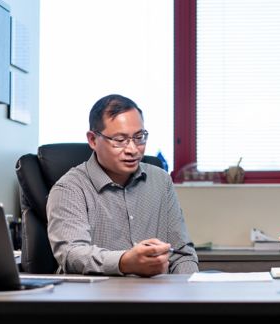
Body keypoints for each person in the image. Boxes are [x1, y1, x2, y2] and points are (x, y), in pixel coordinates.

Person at [47, 94, 198, 276]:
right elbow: (72, 254)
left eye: (139, 137)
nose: (133, 150)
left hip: (155, 298)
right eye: (120, 140)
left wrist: (189, 294)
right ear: (93, 140)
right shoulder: (69, 188)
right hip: (95, 299)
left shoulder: (161, 180)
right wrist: (126, 262)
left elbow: (182, 254)